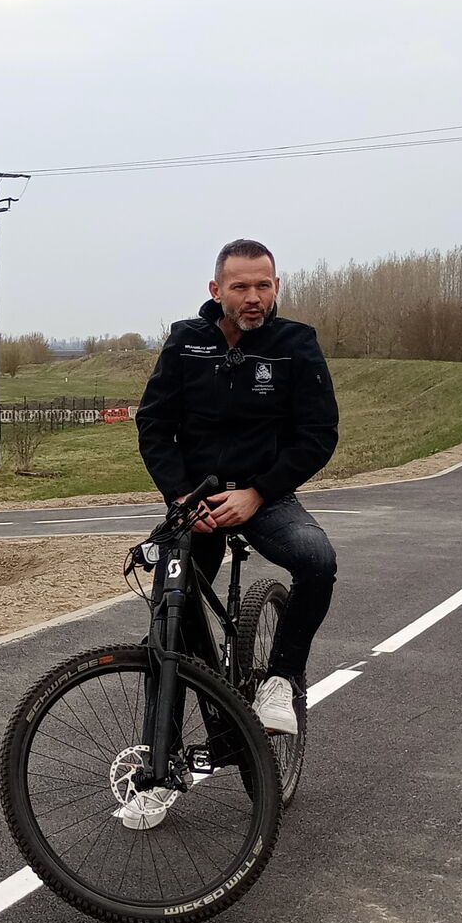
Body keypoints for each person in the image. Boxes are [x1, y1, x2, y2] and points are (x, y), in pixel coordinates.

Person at [136, 238, 341, 739]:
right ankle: (157, 754)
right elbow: (154, 426)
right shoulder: (185, 341)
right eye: (241, 286)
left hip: (265, 497)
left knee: (317, 560)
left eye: (263, 286)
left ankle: (280, 681)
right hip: (196, 501)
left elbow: (318, 436)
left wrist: (259, 492)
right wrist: (180, 497)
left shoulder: (296, 343)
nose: (254, 297)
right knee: (167, 626)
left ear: (276, 286)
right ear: (216, 289)